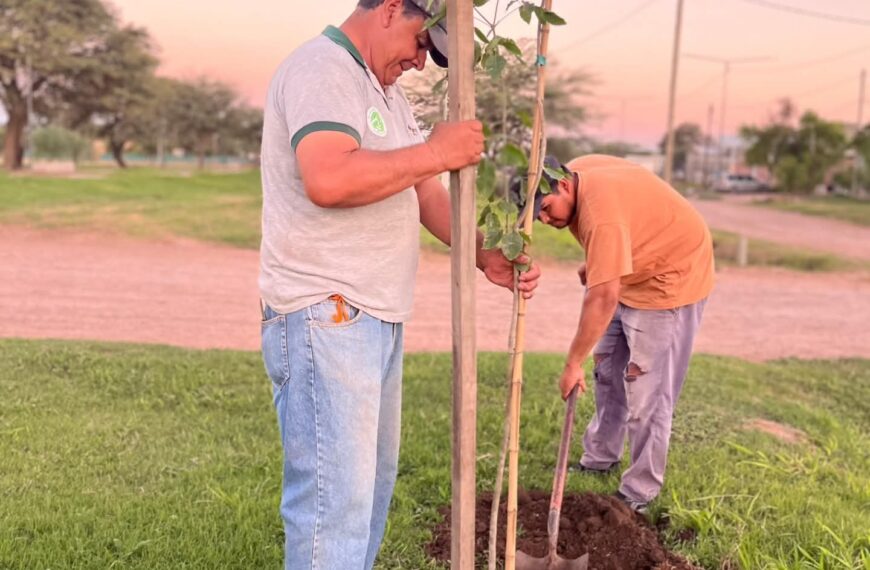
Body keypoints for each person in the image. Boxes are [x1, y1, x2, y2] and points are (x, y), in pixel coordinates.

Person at [258, 1, 541, 568]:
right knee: (333, 506)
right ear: (390, 9)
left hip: (373, 318)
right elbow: (329, 177)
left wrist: (484, 254)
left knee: (368, 494)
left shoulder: (383, 91)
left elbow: (424, 191)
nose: (420, 61)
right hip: (327, 313)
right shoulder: (324, 70)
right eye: (419, 43)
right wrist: (435, 150)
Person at [515, 154, 714, 514]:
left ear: (563, 185)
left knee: (648, 396)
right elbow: (633, 202)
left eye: (545, 208)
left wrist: (571, 362)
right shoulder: (577, 172)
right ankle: (601, 456)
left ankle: (640, 492)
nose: (545, 220)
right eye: (537, 217)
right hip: (632, 270)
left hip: (669, 278)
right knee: (607, 371)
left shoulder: (600, 216)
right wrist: (602, 260)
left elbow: (602, 294)